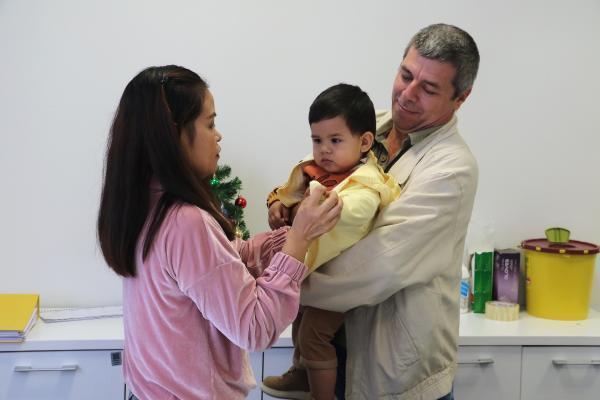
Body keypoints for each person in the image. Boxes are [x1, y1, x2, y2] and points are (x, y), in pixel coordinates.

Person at [96, 65, 342, 400]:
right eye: (210, 124)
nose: (218, 135)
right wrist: (299, 240)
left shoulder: (141, 204)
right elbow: (255, 327)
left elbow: (227, 259)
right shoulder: (185, 222)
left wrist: (291, 234)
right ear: (173, 135)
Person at [267, 23, 480, 400]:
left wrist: (284, 281)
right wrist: (283, 201)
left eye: (429, 88)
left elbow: (378, 266)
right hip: (336, 352)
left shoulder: (452, 169)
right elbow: (314, 173)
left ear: (460, 98)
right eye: (406, 75)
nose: (407, 95)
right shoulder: (370, 125)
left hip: (394, 370)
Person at [261, 83, 400, 400]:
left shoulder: (366, 186)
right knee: (299, 320)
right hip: (314, 271)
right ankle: (301, 375)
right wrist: (278, 204)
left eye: (335, 140)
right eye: (317, 140)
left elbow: (342, 212)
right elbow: (287, 191)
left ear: (364, 142)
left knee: (313, 335)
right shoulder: (317, 170)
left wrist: (299, 211)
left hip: (341, 281)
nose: (324, 149)